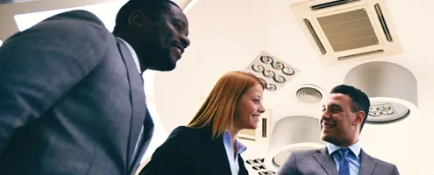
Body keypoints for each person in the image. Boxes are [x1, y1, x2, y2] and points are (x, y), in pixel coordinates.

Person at [0, 0, 190, 174]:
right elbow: (8, 94)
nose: (186, 40)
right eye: (177, 26)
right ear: (137, 19)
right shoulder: (90, 33)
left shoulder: (144, 114)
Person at [139, 71, 264, 175]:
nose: (262, 109)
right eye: (256, 100)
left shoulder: (240, 164)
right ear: (232, 100)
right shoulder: (187, 139)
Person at [276, 85, 400, 175]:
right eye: (324, 109)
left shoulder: (387, 171)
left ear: (358, 118)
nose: (324, 116)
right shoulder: (298, 162)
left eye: (335, 109)